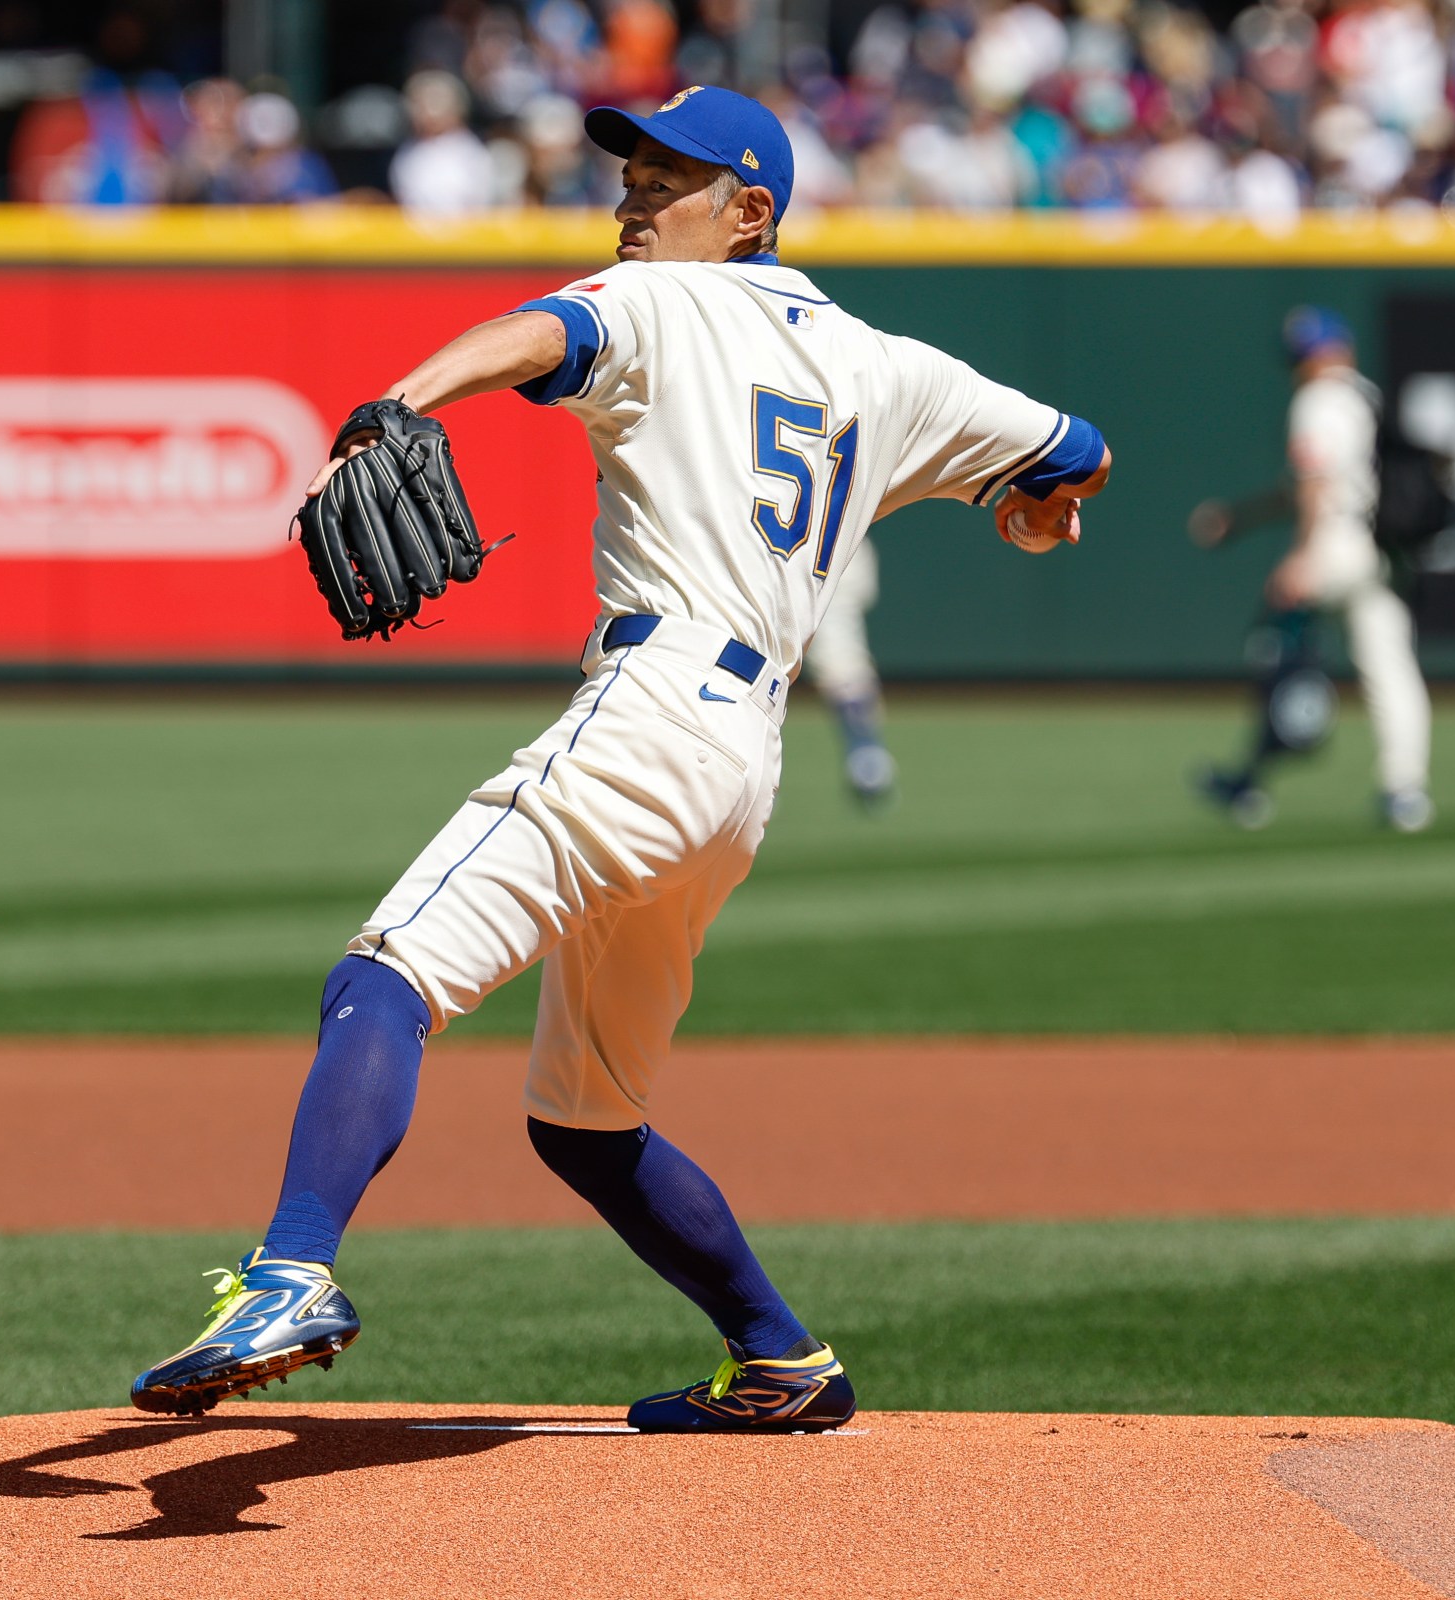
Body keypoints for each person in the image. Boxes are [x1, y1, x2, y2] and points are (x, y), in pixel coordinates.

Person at [129, 85, 1111, 1434]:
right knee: (586, 1120)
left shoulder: (664, 302)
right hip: (740, 773)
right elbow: (1077, 446)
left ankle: (292, 1273)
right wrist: (1036, 508)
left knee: (385, 976)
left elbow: (543, 330)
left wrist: (396, 400)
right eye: (633, 173)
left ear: (749, 210)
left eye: (670, 177)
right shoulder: (886, 366)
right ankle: (779, 1358)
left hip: (649, 716)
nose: (633, 197)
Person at [1200, 306, 1434, 832]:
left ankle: (1251, 782)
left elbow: (1314, 486)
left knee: (1276, 647)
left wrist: (1303, 556)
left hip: (1336, 541)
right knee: (1391, 668)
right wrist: (1240, 519)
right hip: (1383, 548)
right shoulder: (1366, 395)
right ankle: (1406, 792)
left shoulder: (1318, 400)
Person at [800, 540, 898, 808]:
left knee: (839, 659)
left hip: (823, 545)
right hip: (838, 541)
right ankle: (867, 755)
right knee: (841, 657)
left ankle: (866, 753)